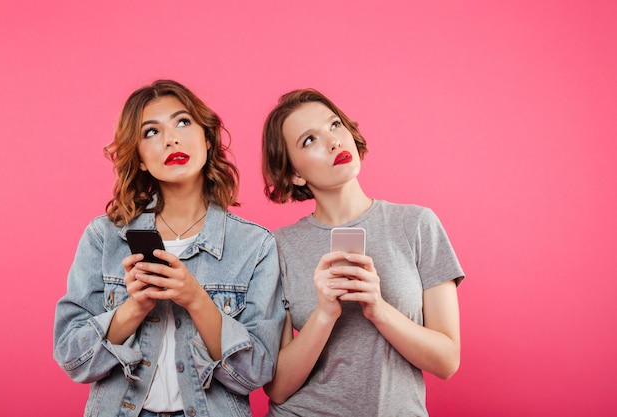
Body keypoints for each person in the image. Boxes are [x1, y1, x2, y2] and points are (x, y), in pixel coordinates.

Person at [53, 80, 284, 417]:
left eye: (183, 122)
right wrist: (136, 307)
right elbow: (73, 359)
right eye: (151, 132)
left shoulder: (255, 246)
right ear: (142, 160)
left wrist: (195, 298)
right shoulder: (104, 237)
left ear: (207, 139)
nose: (171, 139)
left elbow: (256, 372)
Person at [260, 88, 465, 416]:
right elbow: (278, 388)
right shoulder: (277, 247)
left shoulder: (417, 225)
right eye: (309, 140)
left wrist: (378, 308)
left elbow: (447, 361)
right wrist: (325, 314)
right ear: (294, 173)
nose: (333, 141)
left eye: (335, 125)